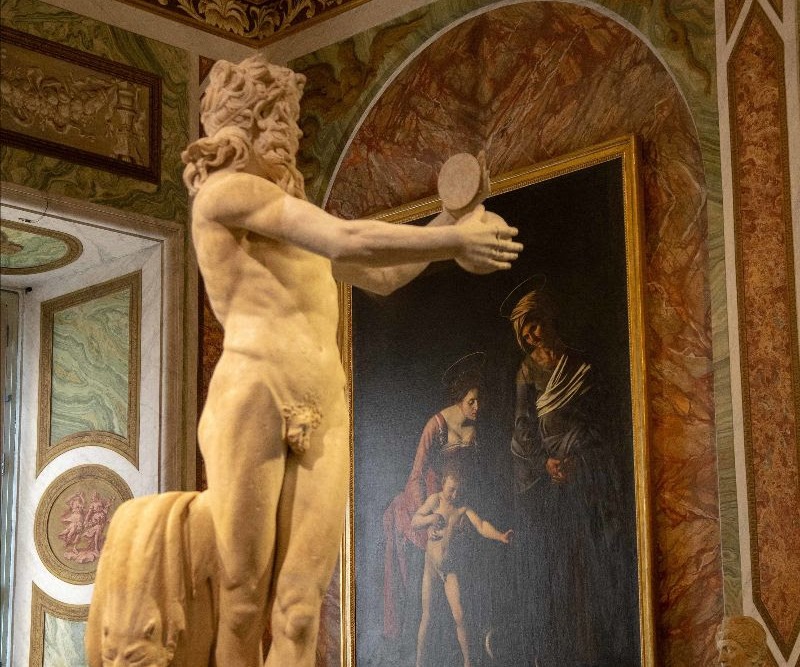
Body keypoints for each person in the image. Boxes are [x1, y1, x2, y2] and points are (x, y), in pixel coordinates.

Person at [179, 55, 522, 667]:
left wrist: (450, 218)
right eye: (275, 118)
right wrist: (453, 239)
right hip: (253, 391)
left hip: (323, 401)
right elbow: (346, 237)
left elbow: (383, 274)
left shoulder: (295, 220)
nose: (287, 134)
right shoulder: (224, 193)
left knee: (301, 605)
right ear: (244, 124)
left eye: (289, 121)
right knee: (242, 601)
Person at [508, 287, 634, 666]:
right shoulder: (526, 371)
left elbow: (605, 419)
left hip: (591, 471)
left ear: (548, 316)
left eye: (534, 324)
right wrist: (546, 462)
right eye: (525, 333)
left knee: (602, 557)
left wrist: (583, 456)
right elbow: (523, 428)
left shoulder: (581, 363)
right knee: (563, 566)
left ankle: (611, 650)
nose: (533, 335)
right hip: (554, 480)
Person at [382, 357, 484, 646]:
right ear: (459, 399)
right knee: (424, 583)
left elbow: (470, 474)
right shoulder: (436, 425)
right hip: (425, 502)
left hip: (454, 501)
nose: (477, 407)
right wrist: (427, 516)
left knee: (459, 577)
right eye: (472, 401)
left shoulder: (473, 429)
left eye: (479, 401)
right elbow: (416, 474)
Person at [412, 467, 512, 667]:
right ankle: (418, 663)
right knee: (427, 616)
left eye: (458, 490)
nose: (455, 495)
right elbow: (415, 521)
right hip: (431, 569)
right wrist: (431, 519)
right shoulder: (435, 500)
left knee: (460, 615)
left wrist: (500, 536)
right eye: (451, 489)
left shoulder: (462, 509)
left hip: (449, 569)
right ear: (443, 485)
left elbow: (481, 525)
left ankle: (468, 663)